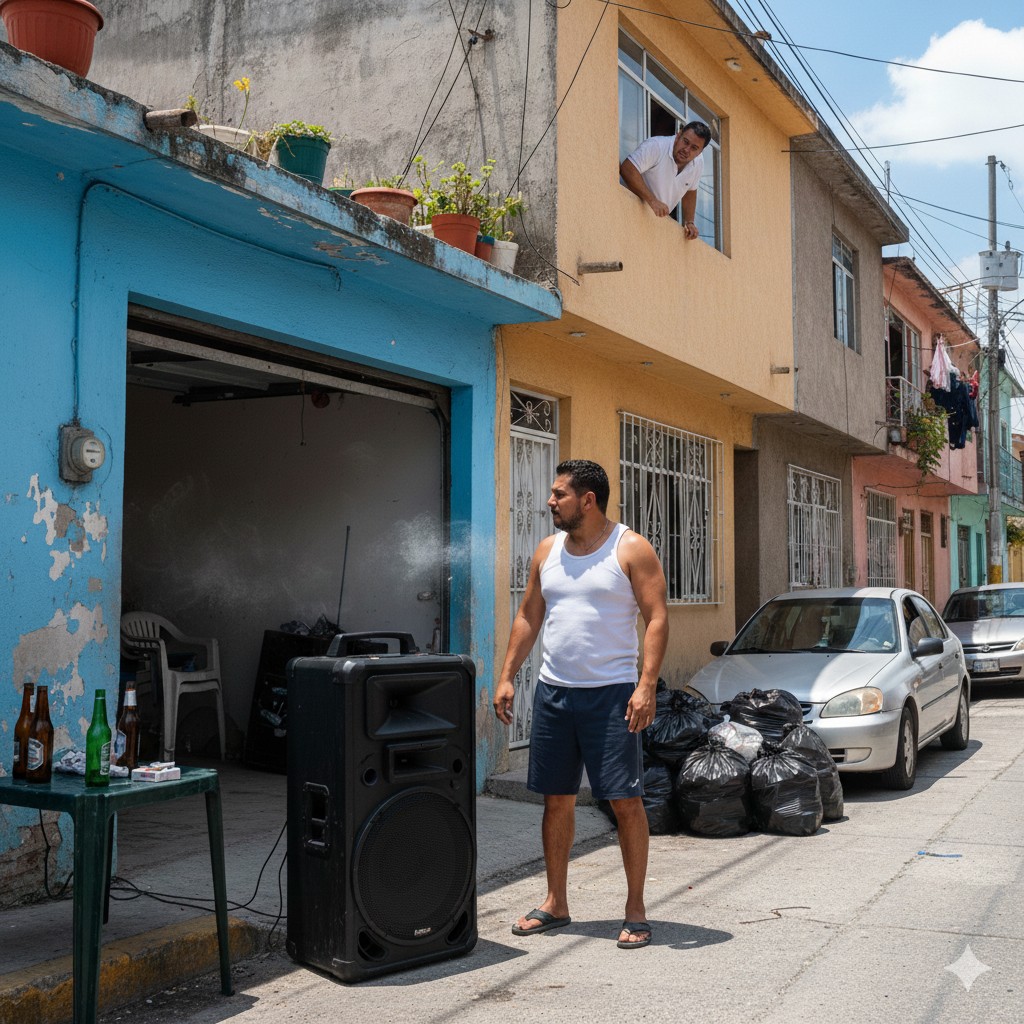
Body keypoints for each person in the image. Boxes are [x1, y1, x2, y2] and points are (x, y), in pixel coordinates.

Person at [493, 459, 669, 949]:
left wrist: (646, 684)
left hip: (613, 695)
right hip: (554, 693)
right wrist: (508, 676)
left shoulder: (630, 548)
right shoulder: (548, 550)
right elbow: (529, 614)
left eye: (559, 494)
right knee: (556, 798)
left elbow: (656, 618)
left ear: (587, 499)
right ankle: (556, 902)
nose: (550, 501)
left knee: (624, 800)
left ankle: (635, 908)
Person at [619, 121, 712, 239]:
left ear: (700, 152)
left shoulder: (698, 163)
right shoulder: (657, 146)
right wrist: (652, 201)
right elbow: (627, 168)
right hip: (625, 209)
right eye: (685, 142)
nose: (686, 150)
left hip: (654, 226)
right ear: (678, 135)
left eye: (694, 148)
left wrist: (689, 222)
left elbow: (690, 190)